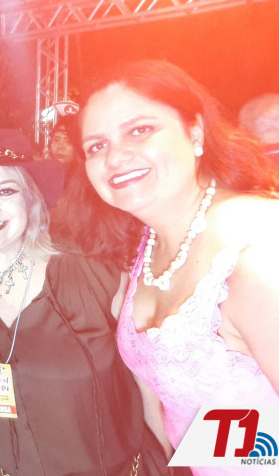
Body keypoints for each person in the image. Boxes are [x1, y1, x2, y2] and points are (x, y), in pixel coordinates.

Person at [0, 128, 168, 476]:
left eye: (6, 190)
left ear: (31, 200)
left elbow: (151, 380)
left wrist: (167, 457)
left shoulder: (95, 272)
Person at [77, 59, 279, 475]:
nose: (115, 156)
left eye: (140, 130)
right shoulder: (145, 244)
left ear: (196, 132)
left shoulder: (256, 249)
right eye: (96, 146)